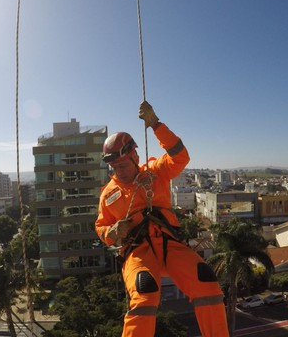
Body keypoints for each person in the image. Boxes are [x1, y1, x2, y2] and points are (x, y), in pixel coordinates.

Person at [95, 101, 229, 337]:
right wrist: (114, 231)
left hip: (168, 244)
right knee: (145, 292)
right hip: (137, 252)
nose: (120, 171)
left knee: (207, 283)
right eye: (115, 167)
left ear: (135, 157)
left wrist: (156, 125)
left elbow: (180, 156)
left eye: (123, 164)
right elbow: (101, 228)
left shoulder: (155, 172)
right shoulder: (108, 195)